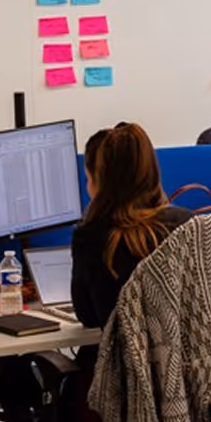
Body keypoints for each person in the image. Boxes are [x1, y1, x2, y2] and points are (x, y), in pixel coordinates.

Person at [71, 123, 192, 330]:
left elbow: (88, 317)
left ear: (99, 183)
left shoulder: (91, 238)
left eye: (88, 179)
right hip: (188, 350)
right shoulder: (186, 224)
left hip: (121, 352)